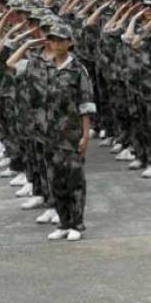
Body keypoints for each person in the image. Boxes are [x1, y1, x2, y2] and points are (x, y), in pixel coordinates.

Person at [43, 23, 96, 241]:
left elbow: (85, 104)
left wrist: (85, 135)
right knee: (55, 180)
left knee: (74, 180)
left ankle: (77, 222)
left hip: (72, 133)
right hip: (52, 134)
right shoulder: (47, 67)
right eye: (52, 40)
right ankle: (63, 221)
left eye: (60, 40)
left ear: (69, 42)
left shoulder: (77, 70)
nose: (56, 44)